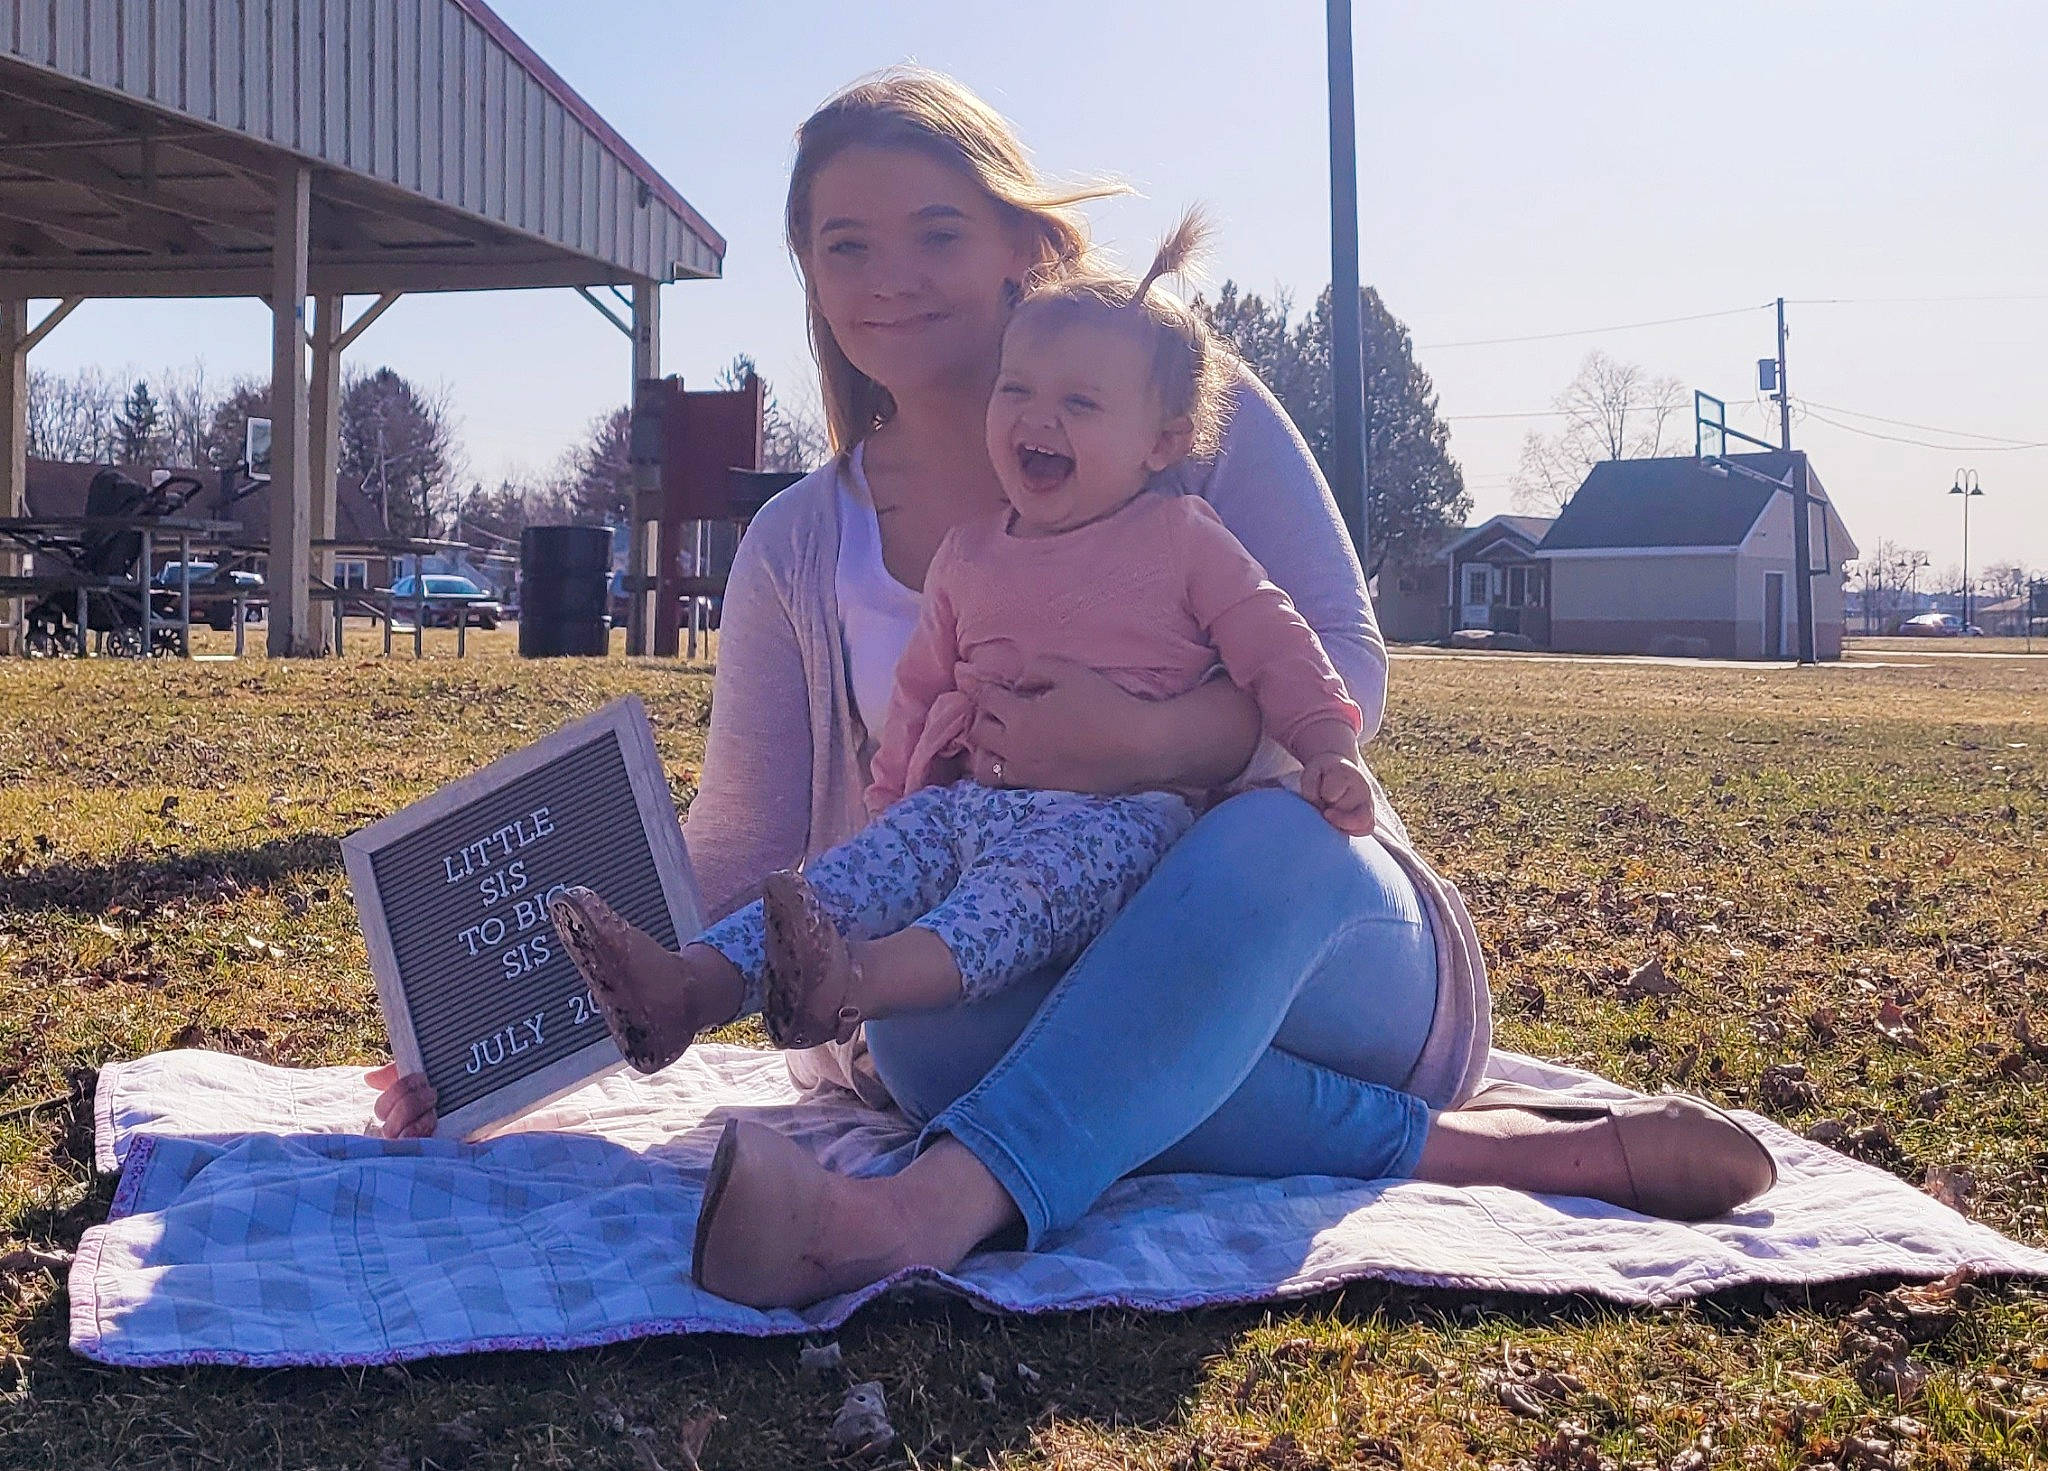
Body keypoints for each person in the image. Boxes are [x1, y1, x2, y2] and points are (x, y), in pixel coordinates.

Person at [369, 68, 1775, 1310]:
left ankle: (916, 1215)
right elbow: (742, 852)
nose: (889, 276)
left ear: (1024, 250)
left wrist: (1153, 739)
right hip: (1015, 961)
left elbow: (1341, 661)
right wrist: (490, 1042)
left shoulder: (1175, 403)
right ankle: (1529, 1156)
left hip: (1310, 935)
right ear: (808, 274)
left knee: (1272, 834)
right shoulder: (802, 544)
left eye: (936, 233)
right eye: (843, 244)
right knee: (913, 1023)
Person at [544, 211, 1375, 1067]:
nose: (1038, 418)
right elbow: (920, 694)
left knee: (1012, 903)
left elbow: (1284, 644)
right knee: (835, 884)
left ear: (1162, 441)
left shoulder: (1184, 536)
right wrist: (893, 810)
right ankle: (689, 986)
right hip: (961, 803)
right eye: (1015, 391)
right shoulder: (970, 554)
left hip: (1117, 821)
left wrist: (1326, 743)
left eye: (1079, 403)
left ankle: (853, 986)